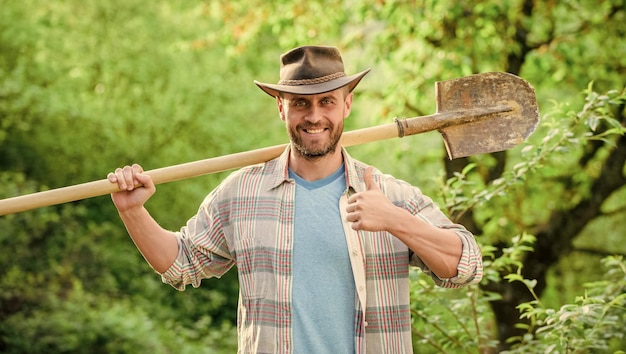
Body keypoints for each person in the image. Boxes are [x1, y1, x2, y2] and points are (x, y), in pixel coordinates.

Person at [108, 45, 483, 353]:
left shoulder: (388, 195)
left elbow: (465, 264)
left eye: (327, 102)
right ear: (281, 107)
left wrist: (396, 220)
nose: (315, 116)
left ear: (347, 105)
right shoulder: (242, 193)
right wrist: (132, 210)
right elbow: (182, 263)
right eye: (301, 103)